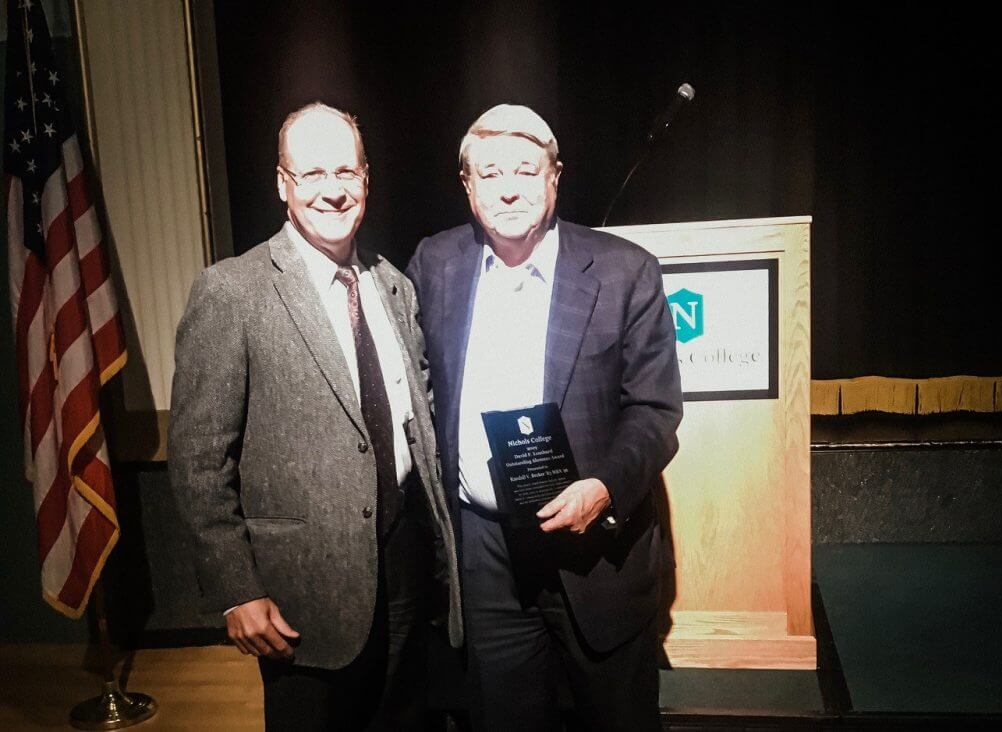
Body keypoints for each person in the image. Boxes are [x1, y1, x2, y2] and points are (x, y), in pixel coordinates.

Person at [168, 102, 461, 731]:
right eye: (312, 175)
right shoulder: (232, 291)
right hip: (302, 595)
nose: (333, 191)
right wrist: (235, 589)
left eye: (347, 172)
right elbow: (197, 461)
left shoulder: (393, 285)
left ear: (366, 178)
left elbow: (421, 423)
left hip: (407, 571)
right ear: (282, 184)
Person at [406, 104, 683, 731]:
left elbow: (655, 409)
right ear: (466, 185)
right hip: (485, 552)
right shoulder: (434, 265)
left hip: (597, 548)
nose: (509, 188)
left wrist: (605, 488)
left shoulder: (624, 270)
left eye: (527, 171)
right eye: (491, 172)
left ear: (555, 177)